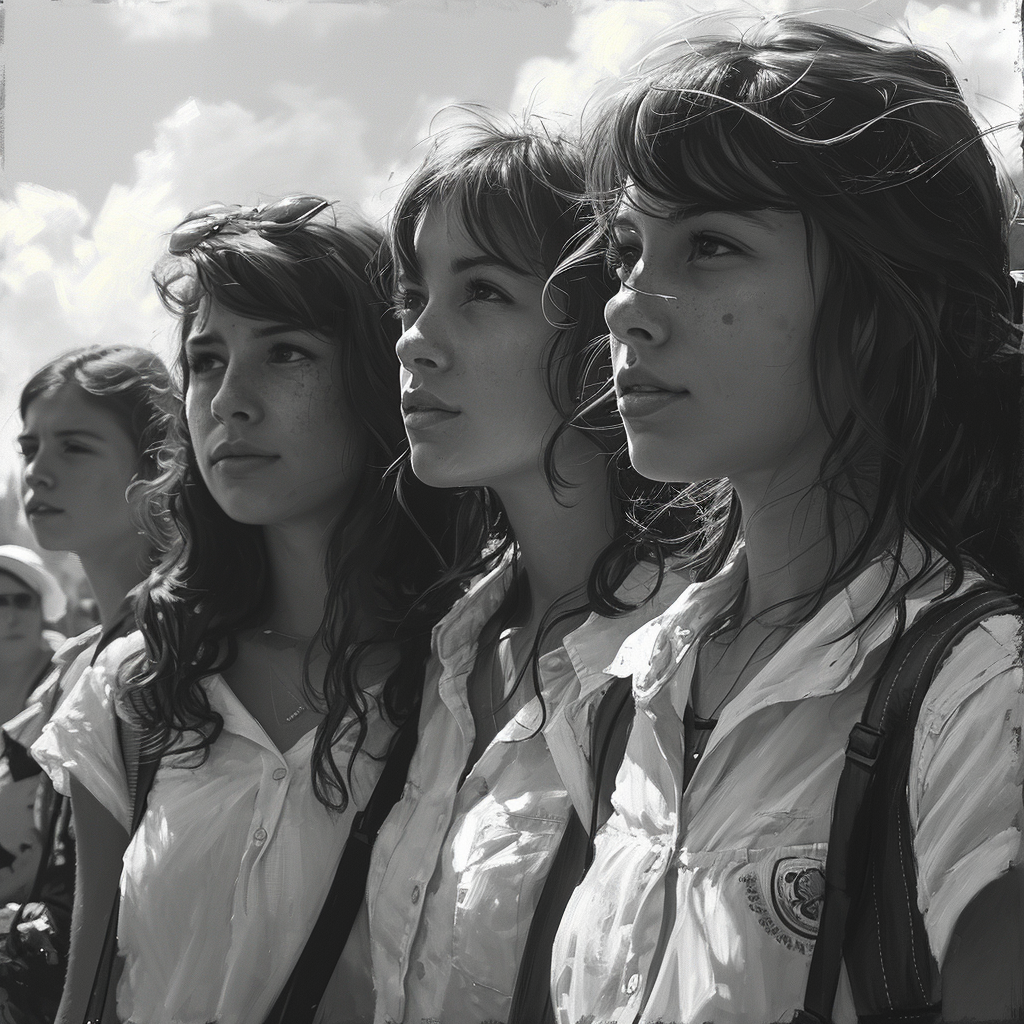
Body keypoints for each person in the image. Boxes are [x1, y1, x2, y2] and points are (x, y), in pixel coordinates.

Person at [549, 17, 1024, 1024]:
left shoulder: (982, 698)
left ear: (883, 306)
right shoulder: (626, 687)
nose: (626, 305)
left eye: (711, 244)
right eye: (629, 249)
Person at [33, 198, 457, 1024]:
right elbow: (87, 995)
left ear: (380, 374)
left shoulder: (477, 677)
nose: (227, 399)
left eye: (287, 352)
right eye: (204, 359)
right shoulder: (136, 686)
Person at [361, 114, 696, 1024]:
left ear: (598, 324)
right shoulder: (450, 648)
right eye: (410, 296)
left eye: (482, 292)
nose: (414, 339)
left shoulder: (688, 654)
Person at [0, 348, 175, 1024]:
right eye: (30, 445)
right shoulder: (76, 664)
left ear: (158, 464)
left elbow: (116, 908)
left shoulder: (174, 651)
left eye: (74, 447)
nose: (37, 470)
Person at [0, 545, 67, 906]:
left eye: (22, 601)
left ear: (41, 608)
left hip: (51, 893)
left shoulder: (70, 677)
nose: (11, 616)